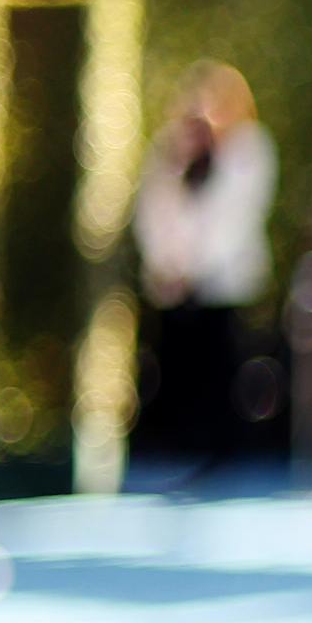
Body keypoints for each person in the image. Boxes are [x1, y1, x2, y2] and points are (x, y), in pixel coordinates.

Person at [133, 62, 273, 467]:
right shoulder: (171, 150)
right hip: (175, 291)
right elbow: (154, 212)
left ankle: (223, 455)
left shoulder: (248, 150)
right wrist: (168, 263)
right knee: (177, 379)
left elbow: (237, 218)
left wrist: (195, 265)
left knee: (222, 377)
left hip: (224, 289)